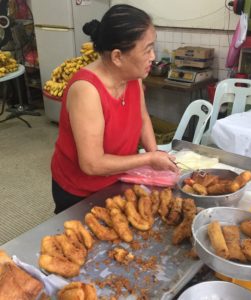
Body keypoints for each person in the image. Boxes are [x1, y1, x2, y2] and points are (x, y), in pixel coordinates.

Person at [51, 4, 178, 214]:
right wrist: (148, 159)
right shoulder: (87, 91)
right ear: (117, 57)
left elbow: (142, 116)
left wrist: (154, 153)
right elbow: (92, 164)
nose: (153, 57)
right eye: (147, 50)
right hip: (80, 191)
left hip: (119, 177)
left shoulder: (132, 76)